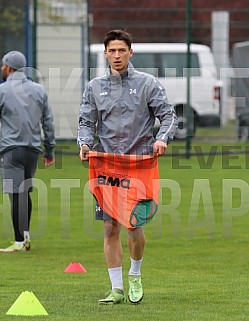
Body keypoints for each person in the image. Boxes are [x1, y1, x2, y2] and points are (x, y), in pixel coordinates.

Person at [78, 29, 177, 304]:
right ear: (105, 53)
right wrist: (85, 144)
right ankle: (116, 289)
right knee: (110, 228)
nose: (117, 55)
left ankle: (135, 274)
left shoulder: (148, 84)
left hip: (138, 166)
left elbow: (168, 115)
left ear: (131, 52)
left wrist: (161, 139)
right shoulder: (94, 87)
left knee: (133, 226)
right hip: (106, 167)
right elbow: (86, 122)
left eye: (122, 50)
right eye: (112, 50)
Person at [0, 51, 55, 253]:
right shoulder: (39, 90)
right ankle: (26, 236)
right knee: (24, 192)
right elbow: (48, 122)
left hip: (10, 149)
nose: (1, 69)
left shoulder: (3, 90)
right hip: (33, 150)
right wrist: (49, 150)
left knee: (15, 194)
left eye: (3, 65)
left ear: (9, 67)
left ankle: (19, 242)